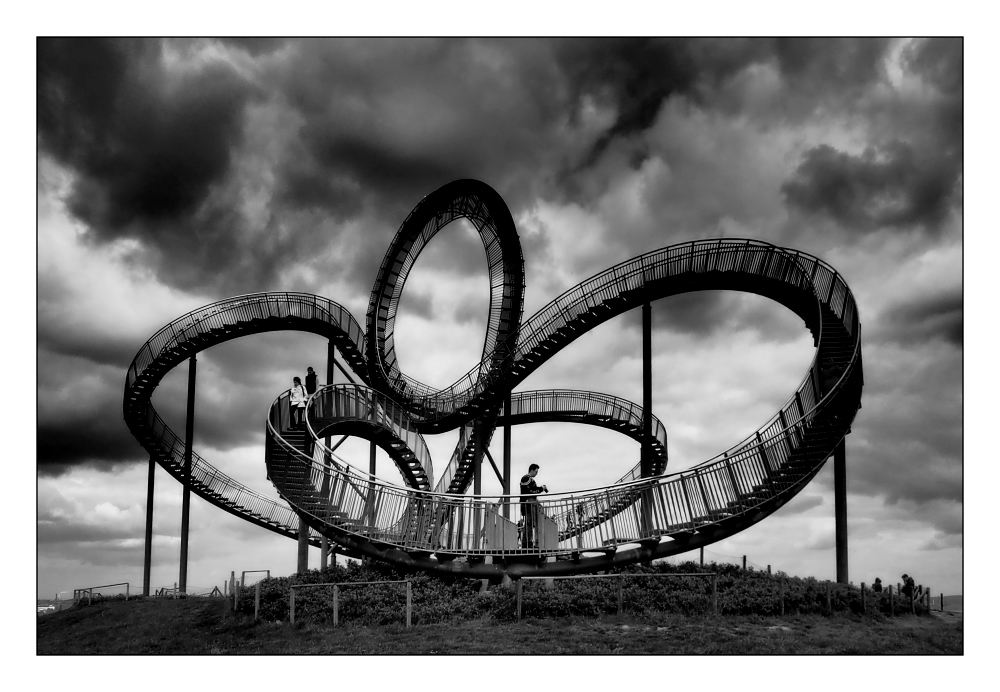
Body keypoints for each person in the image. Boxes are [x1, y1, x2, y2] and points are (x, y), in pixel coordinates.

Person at [519, 463, 548, 548]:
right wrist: (541, 489)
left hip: (530, 503)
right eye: (536, 471)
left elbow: (532, 490)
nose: (536, 473)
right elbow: (529, 491)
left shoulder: (529, 479)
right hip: (528, 503)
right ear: (531, 470)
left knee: (530, 523)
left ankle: (527, 542)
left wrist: (540, 489)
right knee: (529, 523)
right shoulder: (526, 478)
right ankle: (527, 543)